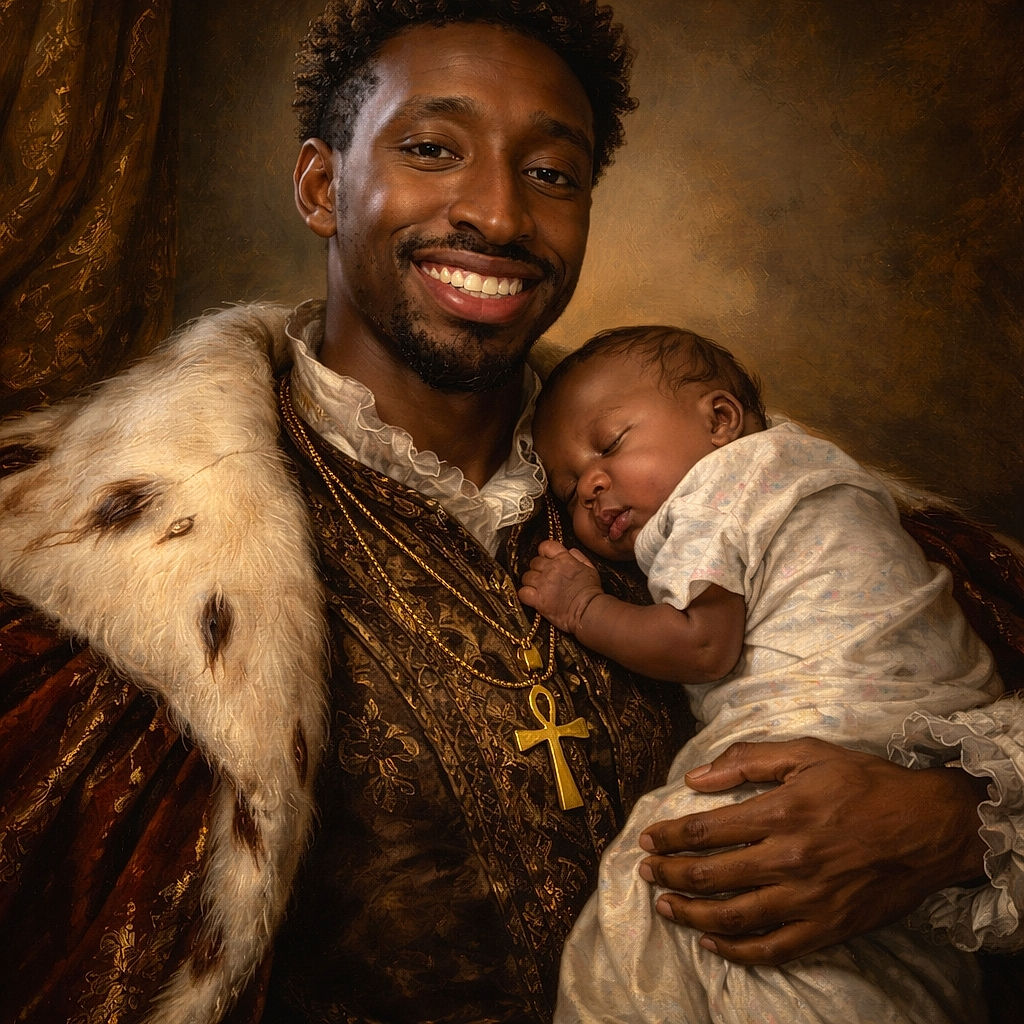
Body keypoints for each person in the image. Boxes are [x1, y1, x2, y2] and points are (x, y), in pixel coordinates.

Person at [0, 3, 1020, 1023]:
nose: (496, 214)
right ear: (323, 186)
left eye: (550, 173)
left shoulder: (732, 483)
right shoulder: (98, 571)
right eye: (433, 148)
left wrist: (951, 821)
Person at [518, 324, 1003, 1022]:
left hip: (838, 721)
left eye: (611, 445)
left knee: (652, 880)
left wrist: (584, 605)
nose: (590, 486)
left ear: (720, 421)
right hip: (929, 728)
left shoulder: (721, 487)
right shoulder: (814, 470)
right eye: (566, 492)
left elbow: (700, 646)